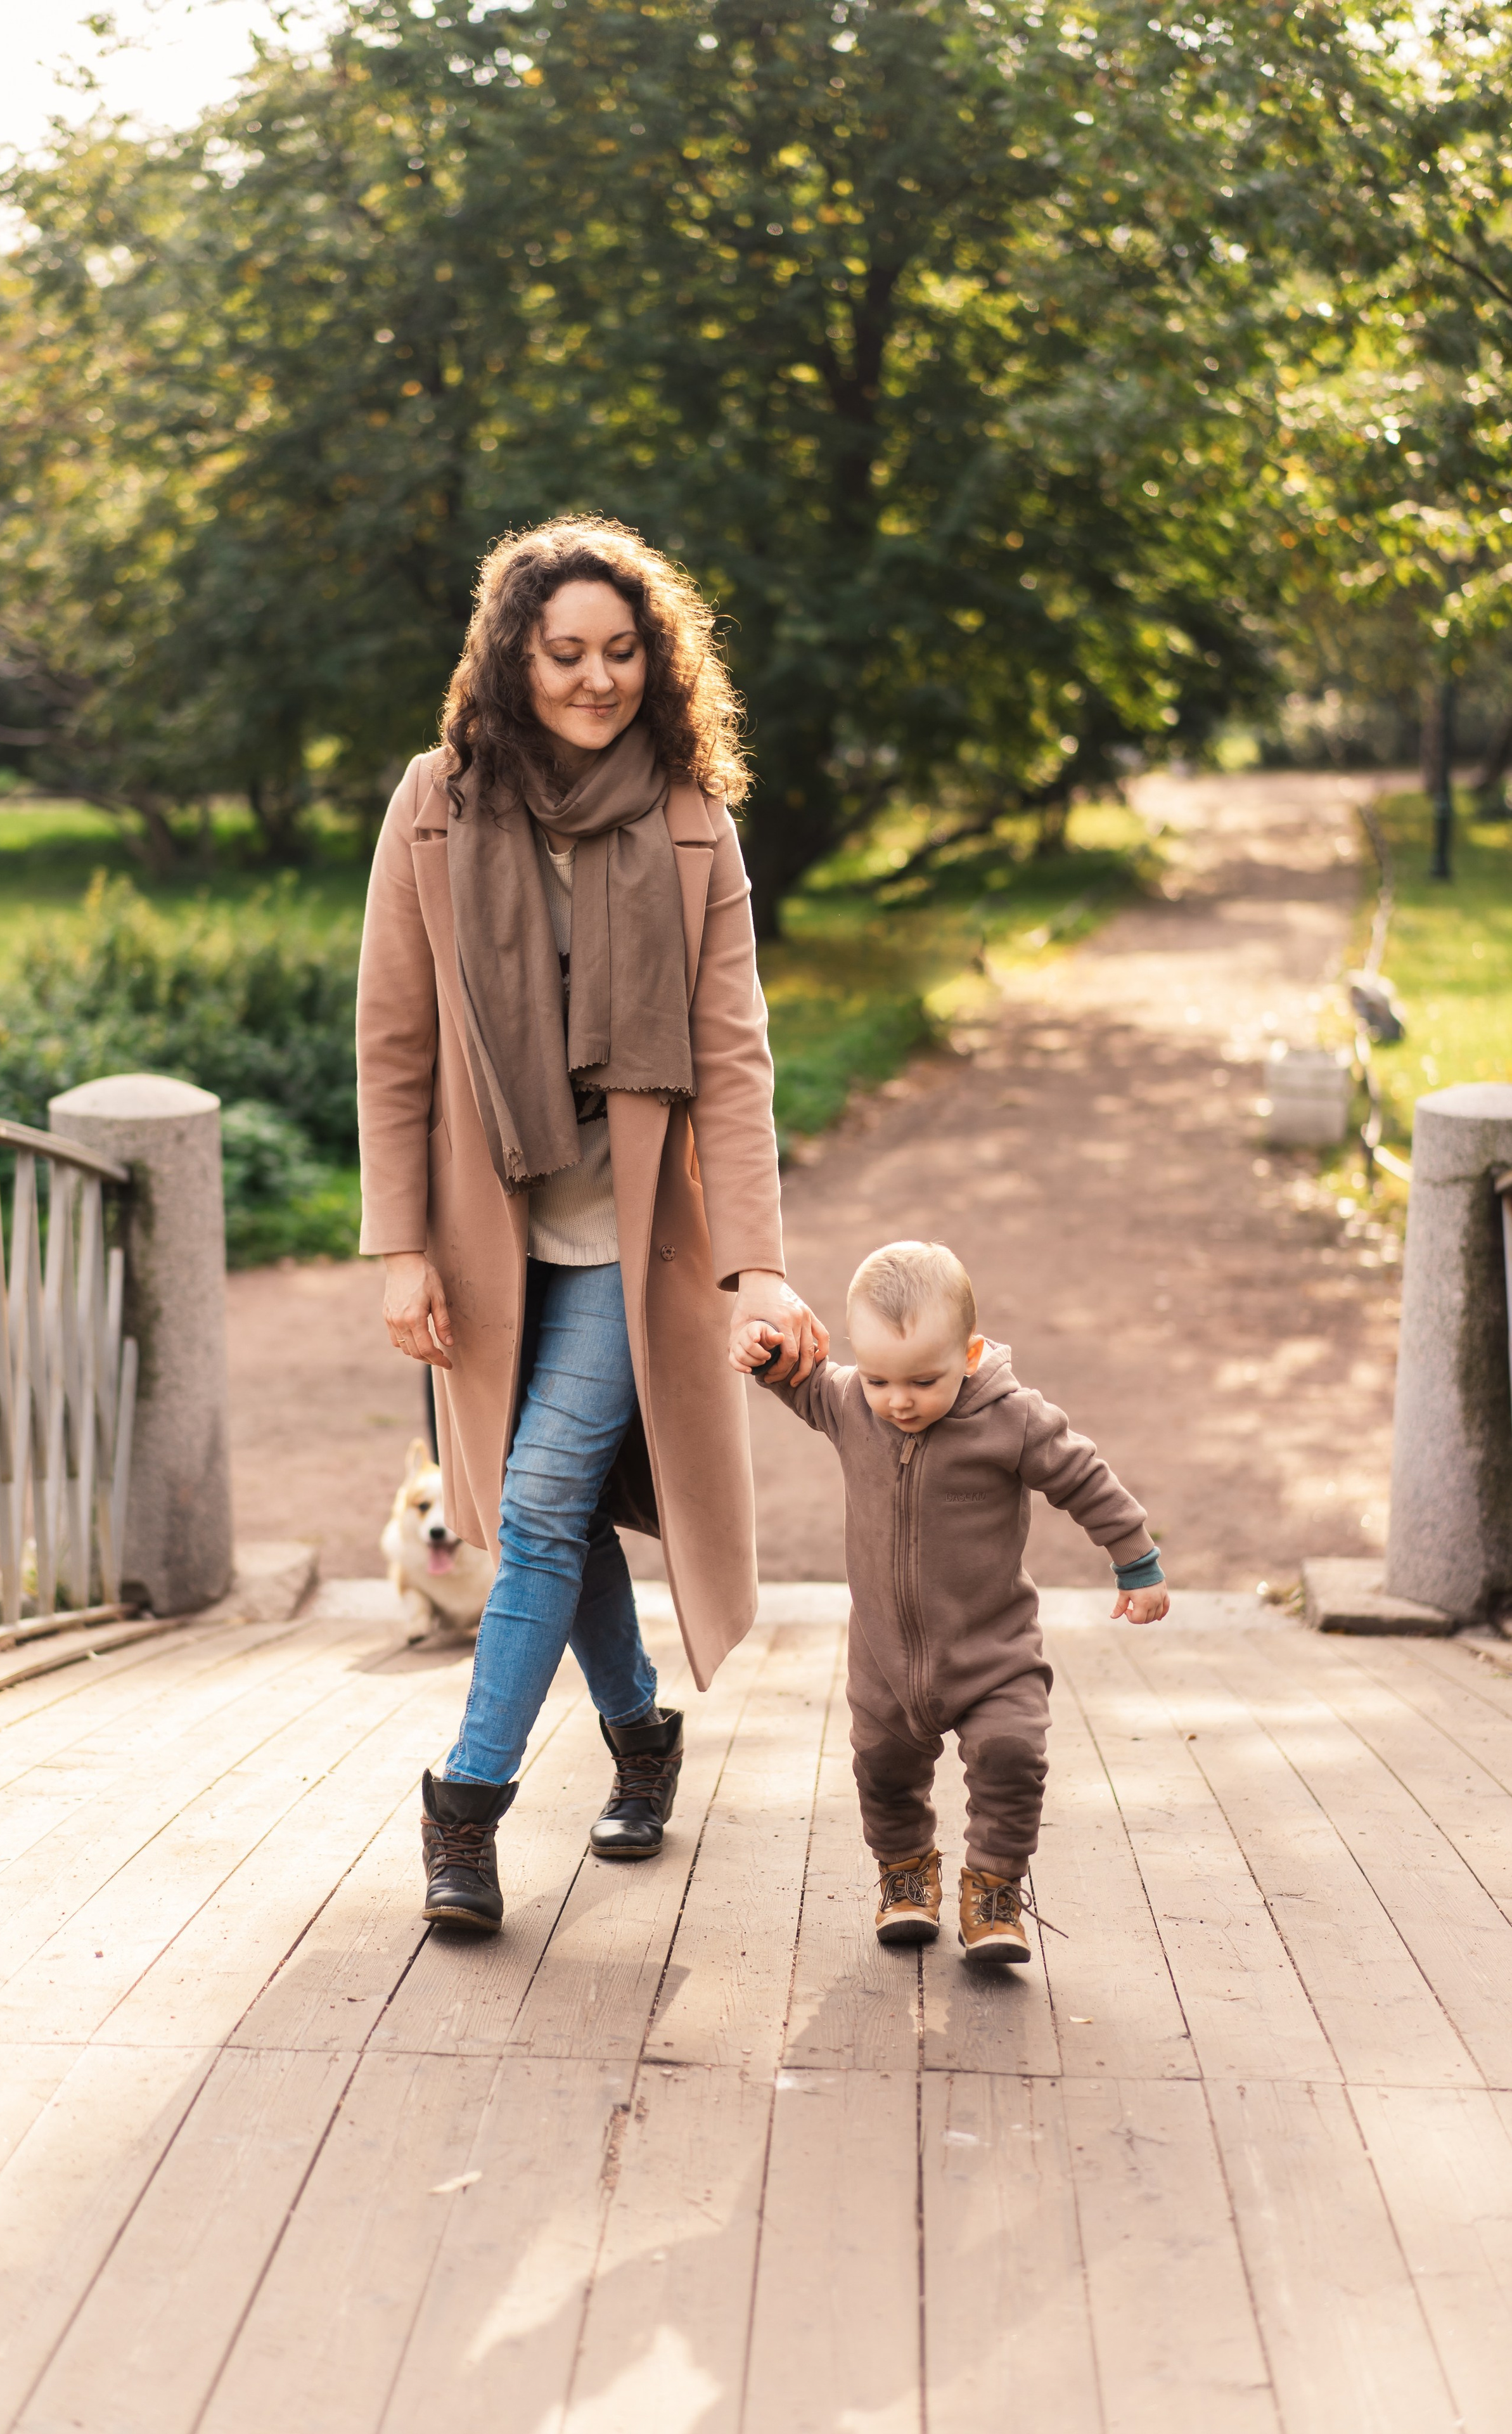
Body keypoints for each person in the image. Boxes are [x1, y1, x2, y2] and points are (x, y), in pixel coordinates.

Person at [356, 515, 828, 1935]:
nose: (596, 679)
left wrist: (758, 1267)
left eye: (623, 651)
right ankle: (640, 1729)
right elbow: (394, 1042)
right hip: (486, 1239)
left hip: (635, 1242)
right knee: (550, 1515)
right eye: (565, 652)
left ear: (657, 662)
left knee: (541, 1504)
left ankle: (465, 1804)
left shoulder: (692, 820)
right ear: (513, 657)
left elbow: (732, 1060)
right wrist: (400, 1246)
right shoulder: (433, 805)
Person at [734, 1239, 1167, 1963]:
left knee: (1012, 1755)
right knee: (882, 1769)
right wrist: (767, 1352)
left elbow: (1084, 1478)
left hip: (992, 1650)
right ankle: (906, 1876)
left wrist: (1136, 1562)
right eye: (878, 1378)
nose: (898, 1400)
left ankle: (994, 1890)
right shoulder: (851, 1404)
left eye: (922, 1380)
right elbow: (799, 1381)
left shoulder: (1013, 1420)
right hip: (884, 1656)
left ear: (968, 1355)